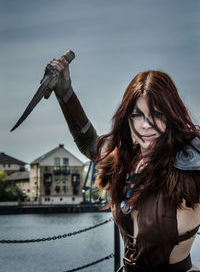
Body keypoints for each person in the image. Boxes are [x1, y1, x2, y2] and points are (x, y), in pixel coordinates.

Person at [47, 55, 200, 272]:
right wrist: (65, 92)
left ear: (171, 115)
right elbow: (90, 144)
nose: (146, 125)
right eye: (137, 115)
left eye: (156, 114)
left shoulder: (192, 169)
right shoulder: (124, 160)